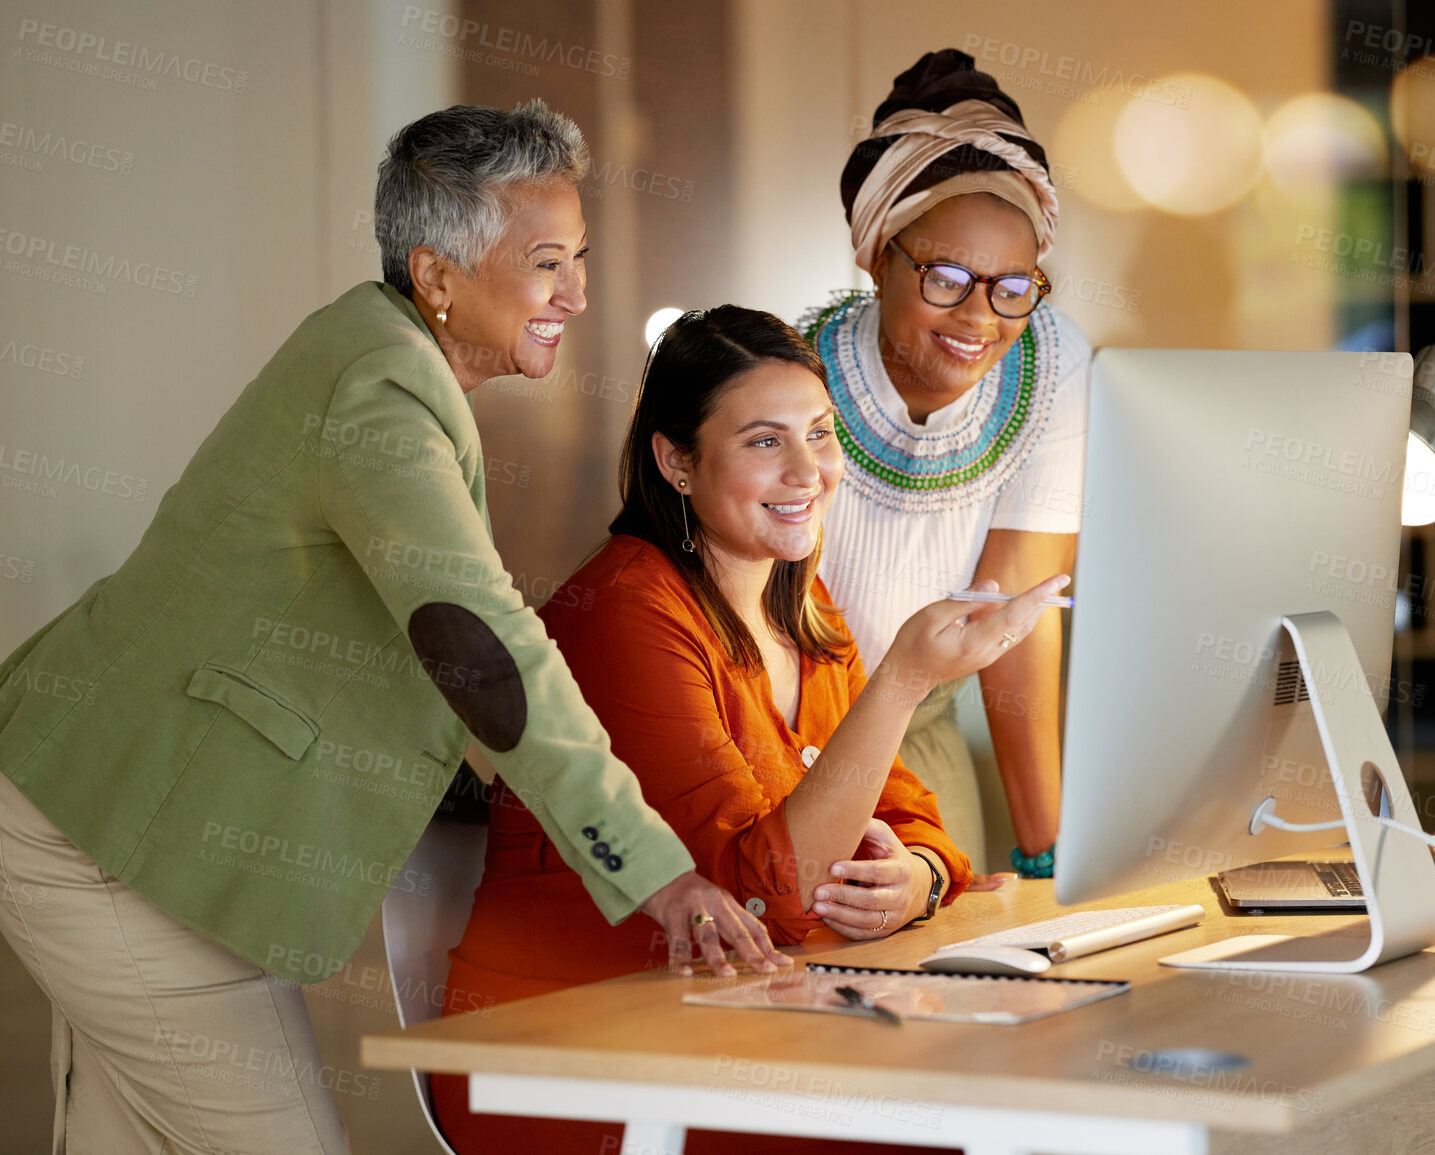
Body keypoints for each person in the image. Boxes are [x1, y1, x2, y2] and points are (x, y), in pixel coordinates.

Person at [0, 102, 784, 1155]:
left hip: (111, 812)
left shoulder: (381, 357)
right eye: (547, 261)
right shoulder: (383, 386)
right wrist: (655, 868)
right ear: (438, 276)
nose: (578, 292)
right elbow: (477, 641)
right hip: (110, 841)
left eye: (580, 257)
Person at [431, 306, 1067, 1155]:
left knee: (1027, 1093)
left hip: (734, 1023)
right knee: (986, 1124)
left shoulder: (802, 605)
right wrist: (905, 678)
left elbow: (915, 822)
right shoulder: (624, 612)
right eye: (765, 441)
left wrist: (915, 878)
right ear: (677, 461)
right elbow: (767, 897)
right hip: (571, 1050)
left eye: (819, 434)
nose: (809, 471)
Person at [802, 49, 1091, 878]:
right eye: (945, 277)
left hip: (920, 738)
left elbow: (1013, 619)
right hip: (783, 736)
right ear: (877, 256)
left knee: (947, 986)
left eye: (1011, 283)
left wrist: (1049, 854)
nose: (979, 317)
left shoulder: (1049, 357)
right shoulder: (790, 380)